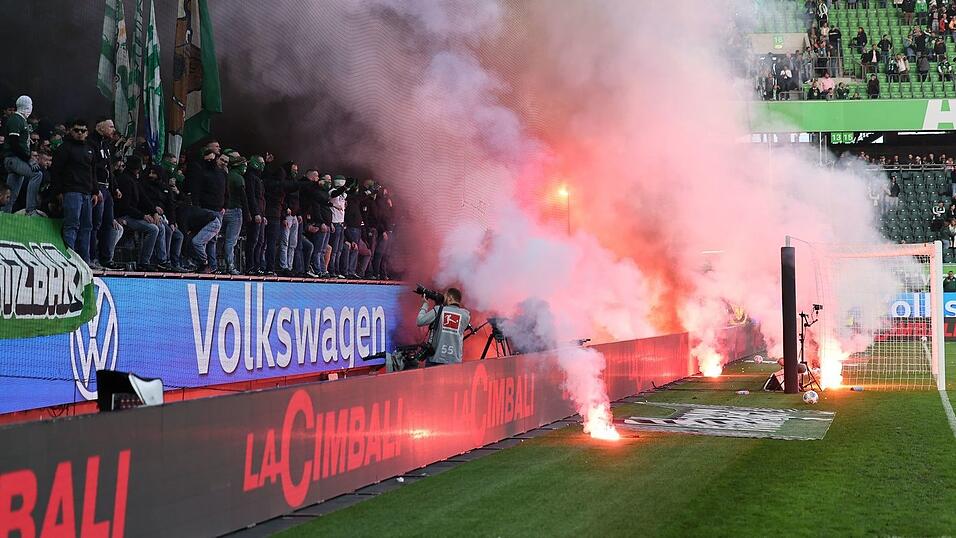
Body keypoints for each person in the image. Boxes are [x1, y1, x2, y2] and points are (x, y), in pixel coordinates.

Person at [51, 119, 98, 263]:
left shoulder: (90, 149)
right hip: (71, 191)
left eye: (83, 130)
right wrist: (58, 192)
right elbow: (56, 171)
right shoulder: (64, 148)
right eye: (76, 130)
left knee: (86, 227)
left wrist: (95, 191)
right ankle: (69, 261)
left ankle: (84, 262)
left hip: (87, 193)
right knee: (71, 225)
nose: (79, 133)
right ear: (71, 131)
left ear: (87, 133)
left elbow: (93, 172)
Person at [115, 155, 164, 271]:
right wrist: (142, 216)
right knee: (153, 229)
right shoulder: (126, 181)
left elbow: (144, 198)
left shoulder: (134, 180)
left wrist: (153, 212)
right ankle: (144, 262)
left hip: (134, 214)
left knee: (160, 226)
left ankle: (161, 260)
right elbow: (125, 206)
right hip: (125, 216)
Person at [88, 117, 121, 270]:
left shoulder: (106, 145)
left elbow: (109, 169)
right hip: (98, 188)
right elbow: (93, 169)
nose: (113, 129)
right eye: (110, 126)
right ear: (100, 127)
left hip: (107, 189)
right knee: (95, 224)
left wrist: (115, 188)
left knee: (108, 224)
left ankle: (106, 259)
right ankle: (91, 257)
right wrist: (95, 189)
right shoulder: (91, 143)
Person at [3, 96, 43, 215]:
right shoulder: (16, 119)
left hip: (16, 159)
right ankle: (31, 209)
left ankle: (5, 214)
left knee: (12, 194)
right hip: (14, 158)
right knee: (37, 174)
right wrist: (28, 159)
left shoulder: (21, 120)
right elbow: (14, 144)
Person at [415, 288, 471, 367]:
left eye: (445, 297)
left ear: (449, 298)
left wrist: (425, 304)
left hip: (436, 359)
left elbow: (420, 321)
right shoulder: (466, 315)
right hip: (455, 361)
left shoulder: (439, 310)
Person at [222, 154, 250, 274]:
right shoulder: (238, 178)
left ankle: (217, 265)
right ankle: (230, 266)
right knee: (231, 241)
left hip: (223, 210)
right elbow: (243, 197)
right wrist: (247, 213)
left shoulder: (226, 175)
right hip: (235, 212)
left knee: (217, 239)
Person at [244, 155, 267, 275]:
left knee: (260, 241)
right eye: (261, 162)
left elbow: (261, 198)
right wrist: (256, 213)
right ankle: (250, 266)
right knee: (253, 241)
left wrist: (263, 215)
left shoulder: (258, 178)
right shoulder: (250, 177)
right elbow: (251, 196)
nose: (263, 165)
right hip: (256, 214)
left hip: (261, 214)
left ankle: (257, 266)